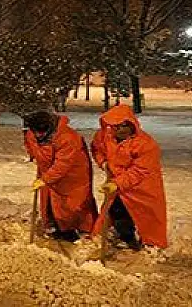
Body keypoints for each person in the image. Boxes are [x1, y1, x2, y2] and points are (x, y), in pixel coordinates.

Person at [90, 105, 168, 250]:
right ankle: (126, 236)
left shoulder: (146, 144)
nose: (120, 130)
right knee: (117, 210)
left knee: (146, 216)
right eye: (116, 126)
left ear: (132, 124)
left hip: (142, 187)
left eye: (124, 125)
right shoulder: (105, 137)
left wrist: (117, 183)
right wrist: (104, 163)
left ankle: (150, 244)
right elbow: (96, 148)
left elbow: (140, 170)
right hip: (118, 185)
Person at [24, 111, 98, 242]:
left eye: (41, 132)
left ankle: (76, 230)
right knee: (50, 202)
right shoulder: (33, 133)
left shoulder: (68, 138)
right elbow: (31, 145)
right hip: (49, 173)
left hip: (73, 175)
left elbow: (63, 164)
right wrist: (34, 156)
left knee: (73, 204)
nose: (38, 135)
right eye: (36, 132)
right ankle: (57, 226)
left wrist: (46, 179)